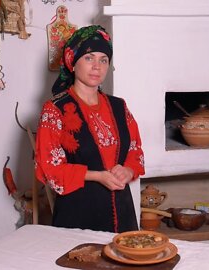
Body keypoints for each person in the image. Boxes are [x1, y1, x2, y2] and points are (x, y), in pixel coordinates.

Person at [34, 25, 145, 233]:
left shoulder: (119, 106)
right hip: (78, 214)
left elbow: (135, 150)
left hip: (122, 214)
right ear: (72, 63)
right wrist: (97, 176)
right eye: (89, 58)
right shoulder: (54, 110)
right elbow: (50, 169)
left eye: (103, 60)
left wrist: (128, 170)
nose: (97, 66)